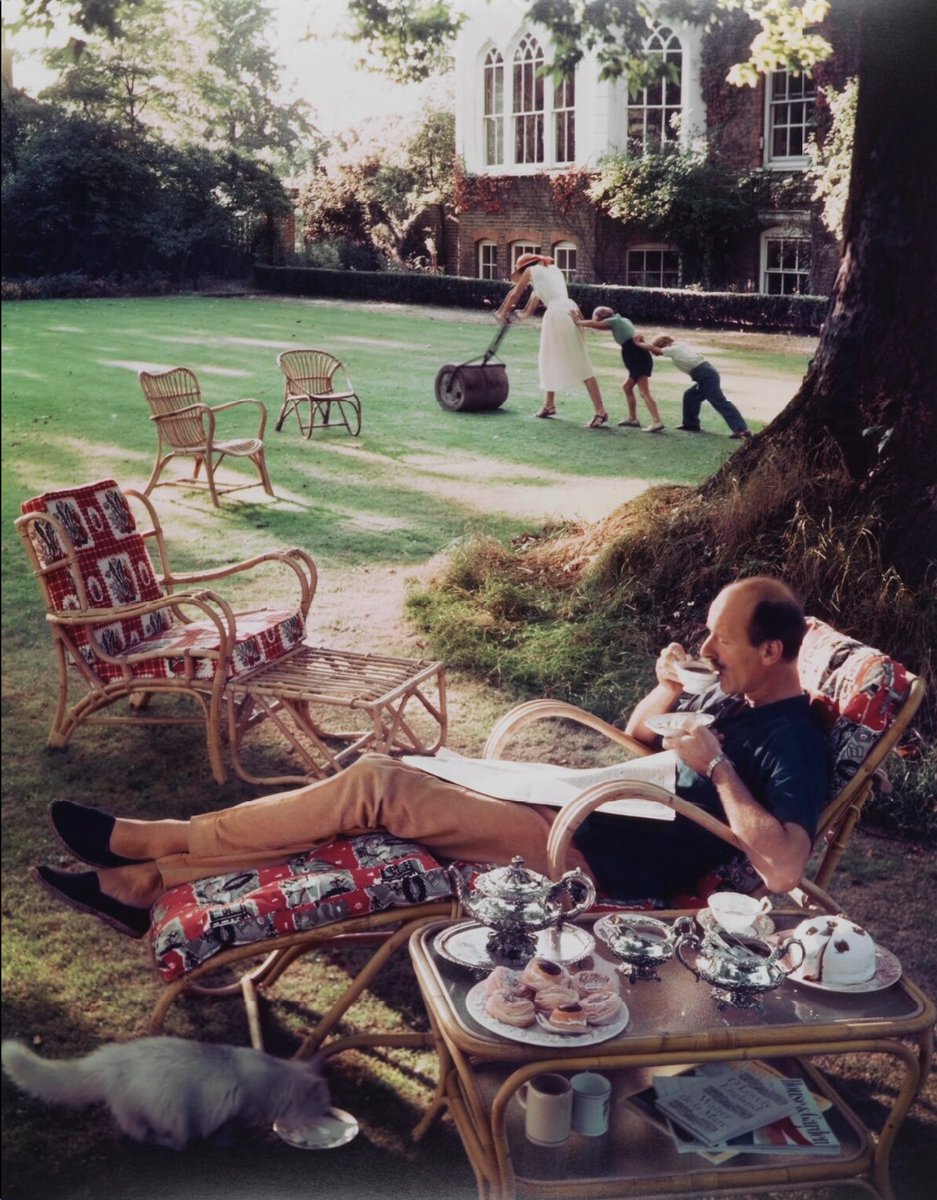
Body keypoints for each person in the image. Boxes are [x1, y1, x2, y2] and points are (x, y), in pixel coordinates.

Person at [35, 578, 829, 936]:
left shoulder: (791, 736)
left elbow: (783, 866)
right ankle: (149, 880)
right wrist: (669, 689)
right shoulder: (733, 696)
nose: (706, 650)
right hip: (582, 805)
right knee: (398, 777)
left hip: (595, 856)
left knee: (378, 786)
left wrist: (717, 767)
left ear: (770, 651)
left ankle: (156, 841)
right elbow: (642, 738)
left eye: (720, 642)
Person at [495, 254, 610, 429]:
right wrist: (520, 315)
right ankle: (549, 405)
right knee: (548, 358)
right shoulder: (552, 271)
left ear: (525, 267)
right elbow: (530, 307)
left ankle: (600, 412)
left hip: (558, 315)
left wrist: (501, 314)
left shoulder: (531, 271)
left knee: (580, 363)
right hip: (570, 309)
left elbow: (514, 294)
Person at [575, 306, 665, 432]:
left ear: (601, 316)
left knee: (644, 392)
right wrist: (581, 321)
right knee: (627, 387)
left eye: (595, 316)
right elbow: (600, 326)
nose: (594, 318)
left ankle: (657, 421)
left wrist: (577, 321)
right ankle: (632, 419)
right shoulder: (620, 320)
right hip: (636, 355)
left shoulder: (614, 321)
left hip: (638, 357)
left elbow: (595, 324)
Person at [651, 335, 751, 439]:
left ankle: (742, 430)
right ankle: (691, 424)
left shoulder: (674, 349)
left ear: (665, 344)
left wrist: (641, 343)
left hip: (705, 375)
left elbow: (654, 349)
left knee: (719, 401)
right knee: (691, 395)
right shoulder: (678, 346)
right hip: (705, 374)